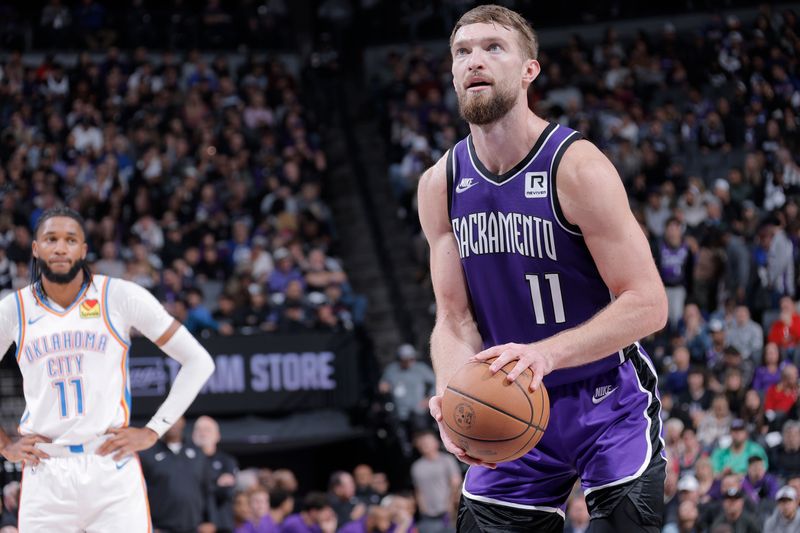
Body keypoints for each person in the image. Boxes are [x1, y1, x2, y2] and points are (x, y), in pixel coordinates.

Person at [418, 5, 668, 531]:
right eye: (462, 52)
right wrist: (452, 394)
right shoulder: (440, 183)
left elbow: (648, 303)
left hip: (604, 399)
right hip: (507, 403)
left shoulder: (578, 168)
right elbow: (453, 319)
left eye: (493, 48)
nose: (474, 61)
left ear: (529, 69)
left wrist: (545, 355)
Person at [0, 207, 215, 532]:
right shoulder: (13, 308)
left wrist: (154, 430)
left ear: (84, 249)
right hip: (45, 470)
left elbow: (199, 361)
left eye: (70, 240)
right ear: (35, 248)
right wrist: (4, 444)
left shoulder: (120, 296)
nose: (60, 248)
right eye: (51, 239)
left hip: (110, 464)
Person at [193, 415, 240, 533]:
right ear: (193, 435)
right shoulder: (185, 462)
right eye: (199, 429)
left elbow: (226, 492)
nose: (203, 434)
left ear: (217, 436)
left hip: (222, 525)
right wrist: (216, 482)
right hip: (194, 525)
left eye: (207, 430)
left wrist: (201, 485)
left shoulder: (227, 461)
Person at [410, 431, 461, 533]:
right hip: (428, 515)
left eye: (428, 442)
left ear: (436, 443)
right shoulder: (416, 467)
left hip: (448, 512)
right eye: (422, 443)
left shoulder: (447, 460)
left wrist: (451, 504)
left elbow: (456, 483)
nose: (425, 445)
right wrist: (422, 508)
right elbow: (418, 490)